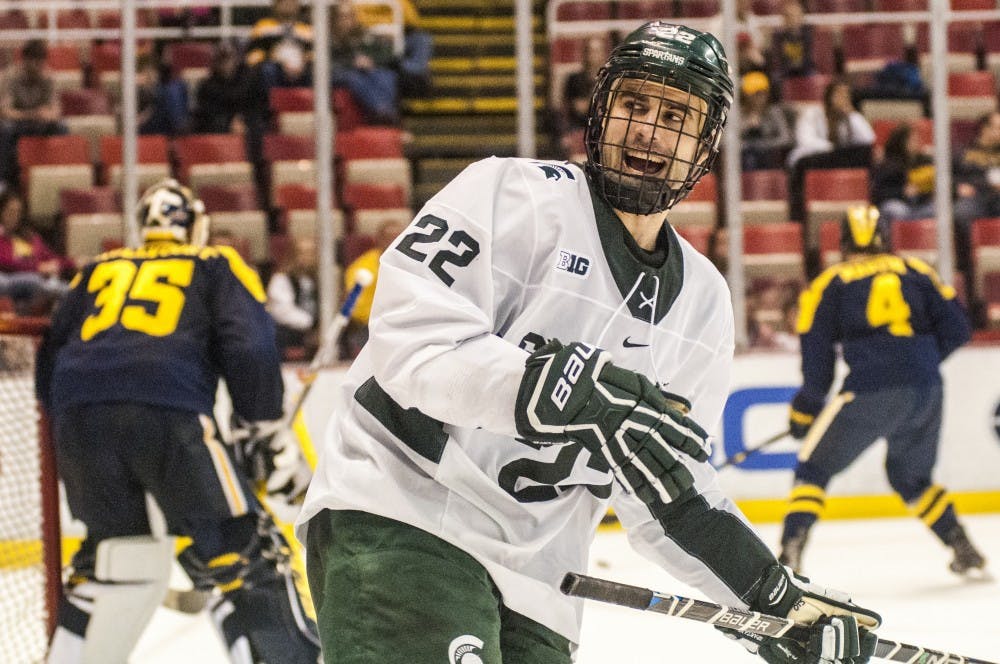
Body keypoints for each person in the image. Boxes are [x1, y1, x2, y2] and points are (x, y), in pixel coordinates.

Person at [297, 22, 881, 664]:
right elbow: (412, 344)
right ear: (601, 112)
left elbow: (671, 489)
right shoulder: (509, 194)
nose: (650, 131)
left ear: (706, 144)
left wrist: (770, 602)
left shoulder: (704, 304)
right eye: (635, 105)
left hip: (542, 581)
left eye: (677, 117)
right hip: (404, 514)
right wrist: (551, 391)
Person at [39, 179, 320, 663]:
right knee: (242, 549)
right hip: (170, 413)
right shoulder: (214, 263)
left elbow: (50, 356)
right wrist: (262, 425)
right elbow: (249, 346)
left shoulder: (97, 269)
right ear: (195, 225)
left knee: (113, 560)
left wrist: (78, 421)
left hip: (78, 417)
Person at [779, 205, 986, 579]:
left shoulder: (830, 283)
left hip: (870, 388)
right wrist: (916, 360)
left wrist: (804, 411)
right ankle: (962, 546)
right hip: (926, 388)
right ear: (886, 238)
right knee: (910, 478)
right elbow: (958, 328)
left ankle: (790, 554)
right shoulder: (916, 270)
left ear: (843, 241)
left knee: (814, 468)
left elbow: (818, 363)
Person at [0, 39, 67, 188]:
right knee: (5, 128)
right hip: (18, 123)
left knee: (61, 126)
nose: (38, 67)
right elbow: (5, 112)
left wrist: (48, 115)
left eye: (41, 62)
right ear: (25, 60)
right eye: (35, 62)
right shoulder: (10, 76)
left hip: (39, 124)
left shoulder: (48, 77)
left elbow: (56, 111)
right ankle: (3, 180)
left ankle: (58, 173)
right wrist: (32, 114)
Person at [340, 218, 405, 358]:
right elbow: (354, 306)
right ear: (379, 240)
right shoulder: (363, 268)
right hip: (371, 327)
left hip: (404, 323)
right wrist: (386, 318)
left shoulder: (412, 265)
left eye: (399, 238)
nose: (394, 243)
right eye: (389, 238)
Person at [0, 189, 72, 314]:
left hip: (40, 280)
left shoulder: (30, 238)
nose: (14, 217)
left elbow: (52, 258)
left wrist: (72, 262)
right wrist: (38, 268)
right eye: (10, 212)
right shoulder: (2, 237)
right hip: (11, 279)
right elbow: (7, 263)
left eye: (18, 212)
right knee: (32, 281)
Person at [329, 0, 400, 125]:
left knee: (386, 75)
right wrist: (352, 63)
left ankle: (387, 111)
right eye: (343, 16)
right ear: (335, 19)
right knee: (354, 78)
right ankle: (382, 111)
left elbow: (387, 54)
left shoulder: (363, 33)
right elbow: (329, 63)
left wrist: (371, 61)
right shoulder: (328, 37)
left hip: (363, 70)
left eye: (350, 16)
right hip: (338, 73)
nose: (347, 20)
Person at [554, 35, 607, 160]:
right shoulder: (574, 79)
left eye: (597, 51)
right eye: (590, 51)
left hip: (601, 130)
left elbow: (602, 109)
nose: (593, 55)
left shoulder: (608, 80)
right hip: (577, 128)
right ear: (584, 54)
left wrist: (587, 105)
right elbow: (567, 109)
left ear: (603, 54)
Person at [870, 122, 936, 224]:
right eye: (913, 140)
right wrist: (902, 192)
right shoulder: (889, 164)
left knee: (936, 209)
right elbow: (878, 193)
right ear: (903, 142)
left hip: (919, 205)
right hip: (896, 203)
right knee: (898, 211)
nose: (917, 142)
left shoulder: (923, 161)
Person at [267, 235, 319, 358]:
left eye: (311, 253)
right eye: (302, 253)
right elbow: (283, 312)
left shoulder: (323, 279)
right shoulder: (281, 279)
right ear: (293, 255)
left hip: (320, 331)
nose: (307, 257)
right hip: (291, 333)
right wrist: (312, 326)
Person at [739, 71, 793, 171]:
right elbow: (730, 140)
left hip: (769, 156)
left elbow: (786, 138)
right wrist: (747, 127)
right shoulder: (738, 114)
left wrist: (764, 144)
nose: (758, 98)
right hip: (744, 156)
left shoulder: (774, 112)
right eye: (754, 94)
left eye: (761, 93)